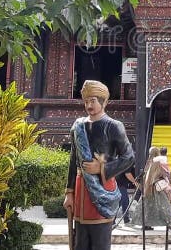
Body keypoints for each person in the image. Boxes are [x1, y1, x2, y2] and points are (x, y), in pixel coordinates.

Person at [63, 80, 134, 250]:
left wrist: (102, 168)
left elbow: (129, 157)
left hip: (103, 190)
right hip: (81, 191)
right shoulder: (78, 126)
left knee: (100, 241)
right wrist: (69, 192)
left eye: (93, 101)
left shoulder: (114, 126)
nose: (89, 105)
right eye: (86, 101)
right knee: (80, 242)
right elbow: (74, 161)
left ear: (104, 102)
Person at [135, 146, 171, 228]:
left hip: (147, 188)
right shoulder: (159, 162)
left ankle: (146, 225)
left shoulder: (149, 162)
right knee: (164, 205)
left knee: (147, 207)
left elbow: (146, 175)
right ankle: (168, 223)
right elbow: (165, 173)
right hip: (156, 188)